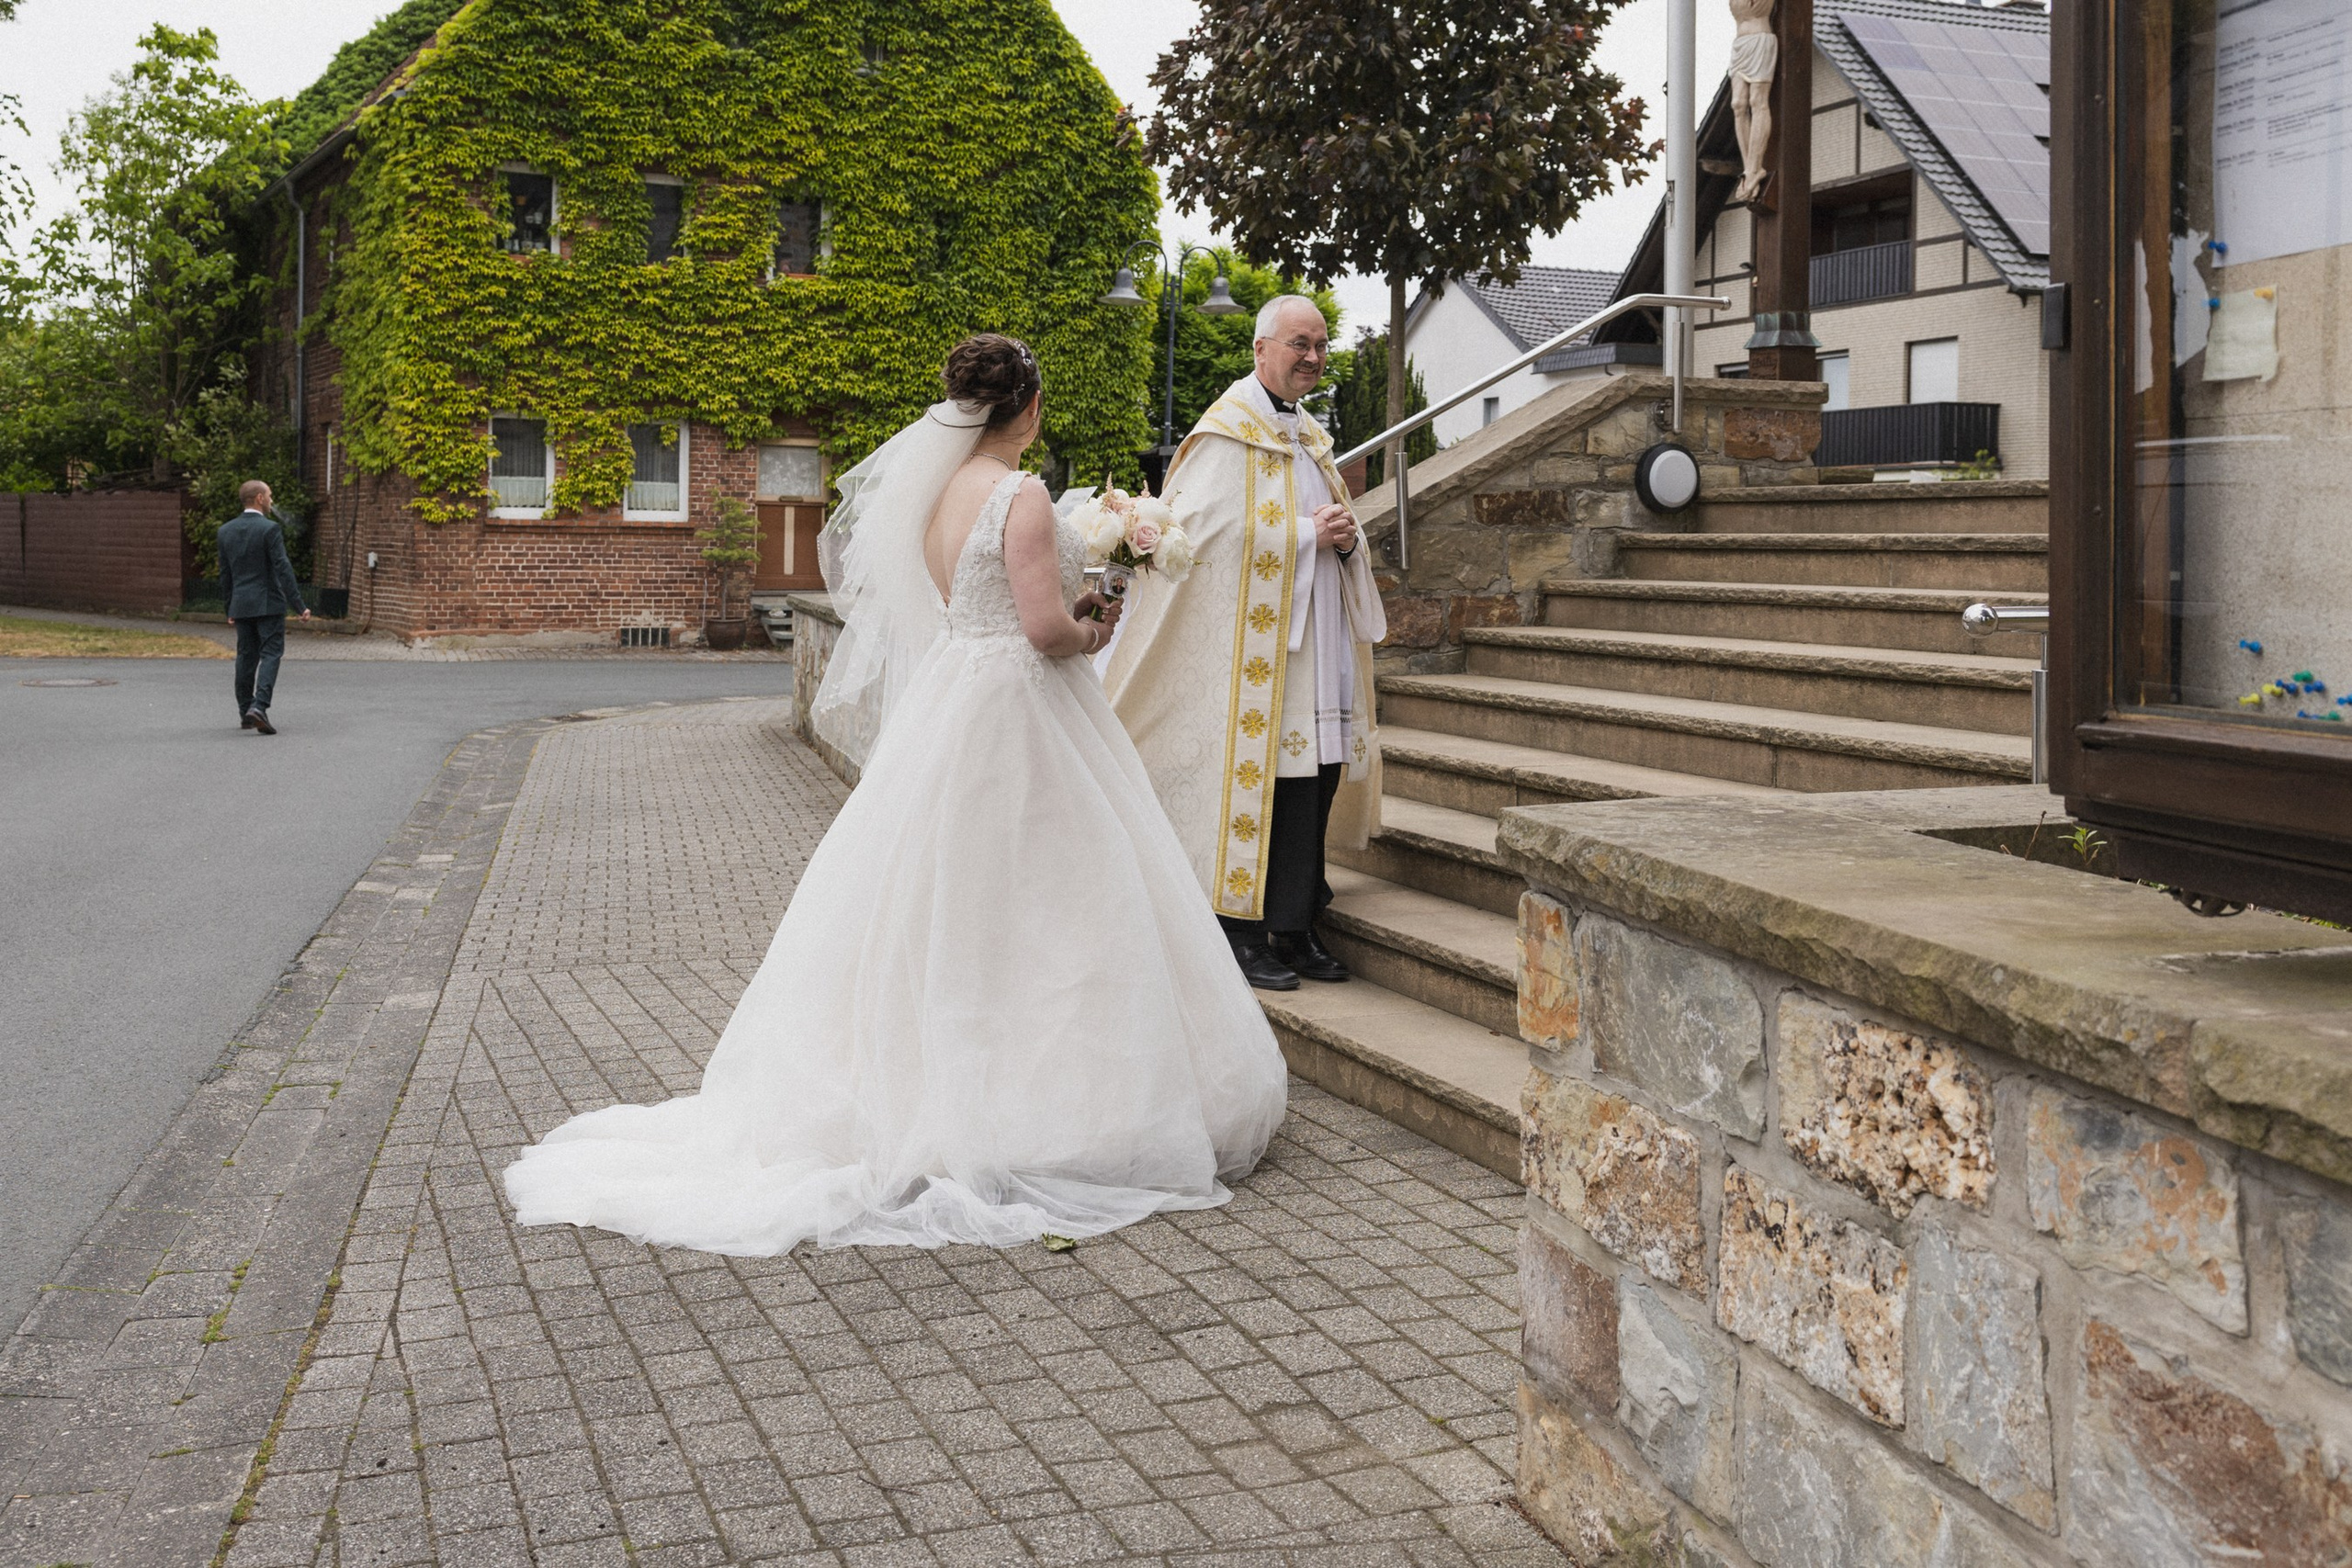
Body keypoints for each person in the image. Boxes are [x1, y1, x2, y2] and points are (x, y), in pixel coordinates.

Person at [503, 335, 1290, 1255]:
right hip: (1024, 709)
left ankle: (932, 1084)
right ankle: (1045, 1111)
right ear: (1026, 407)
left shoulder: (932, 494)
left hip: (957, 696)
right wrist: (1099, 617)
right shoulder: (1021, 493)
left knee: (952, 901)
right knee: (1050, 899)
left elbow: (968, 604)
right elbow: (1042, 630)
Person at [1102, 297, 1387, 992]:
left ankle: (1295, 928)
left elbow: (1335, 525)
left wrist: (1347, 541)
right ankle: (1240, 931)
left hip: (1316, 645)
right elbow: (1200, 539)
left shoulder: (1311, 437)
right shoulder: (1227, 434)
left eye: (1321, 345)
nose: (1313, 357)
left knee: (1312, 783)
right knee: (1263, 784)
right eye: (1299, 344)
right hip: (1256, 659)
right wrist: (1303, 536)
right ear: (1261, 350)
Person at [216, 479, 310, 735]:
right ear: (258, 498)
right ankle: (259, 706)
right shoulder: (270, 529)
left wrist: (230, 609)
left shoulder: (225, 531)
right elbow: (283, 568)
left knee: (246, 656)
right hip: (269, 603)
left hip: (241, 604)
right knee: (271, 654)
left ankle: (245, 712)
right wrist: (299, 605)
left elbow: (225, 575)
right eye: (269, 495)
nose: (271, 499)